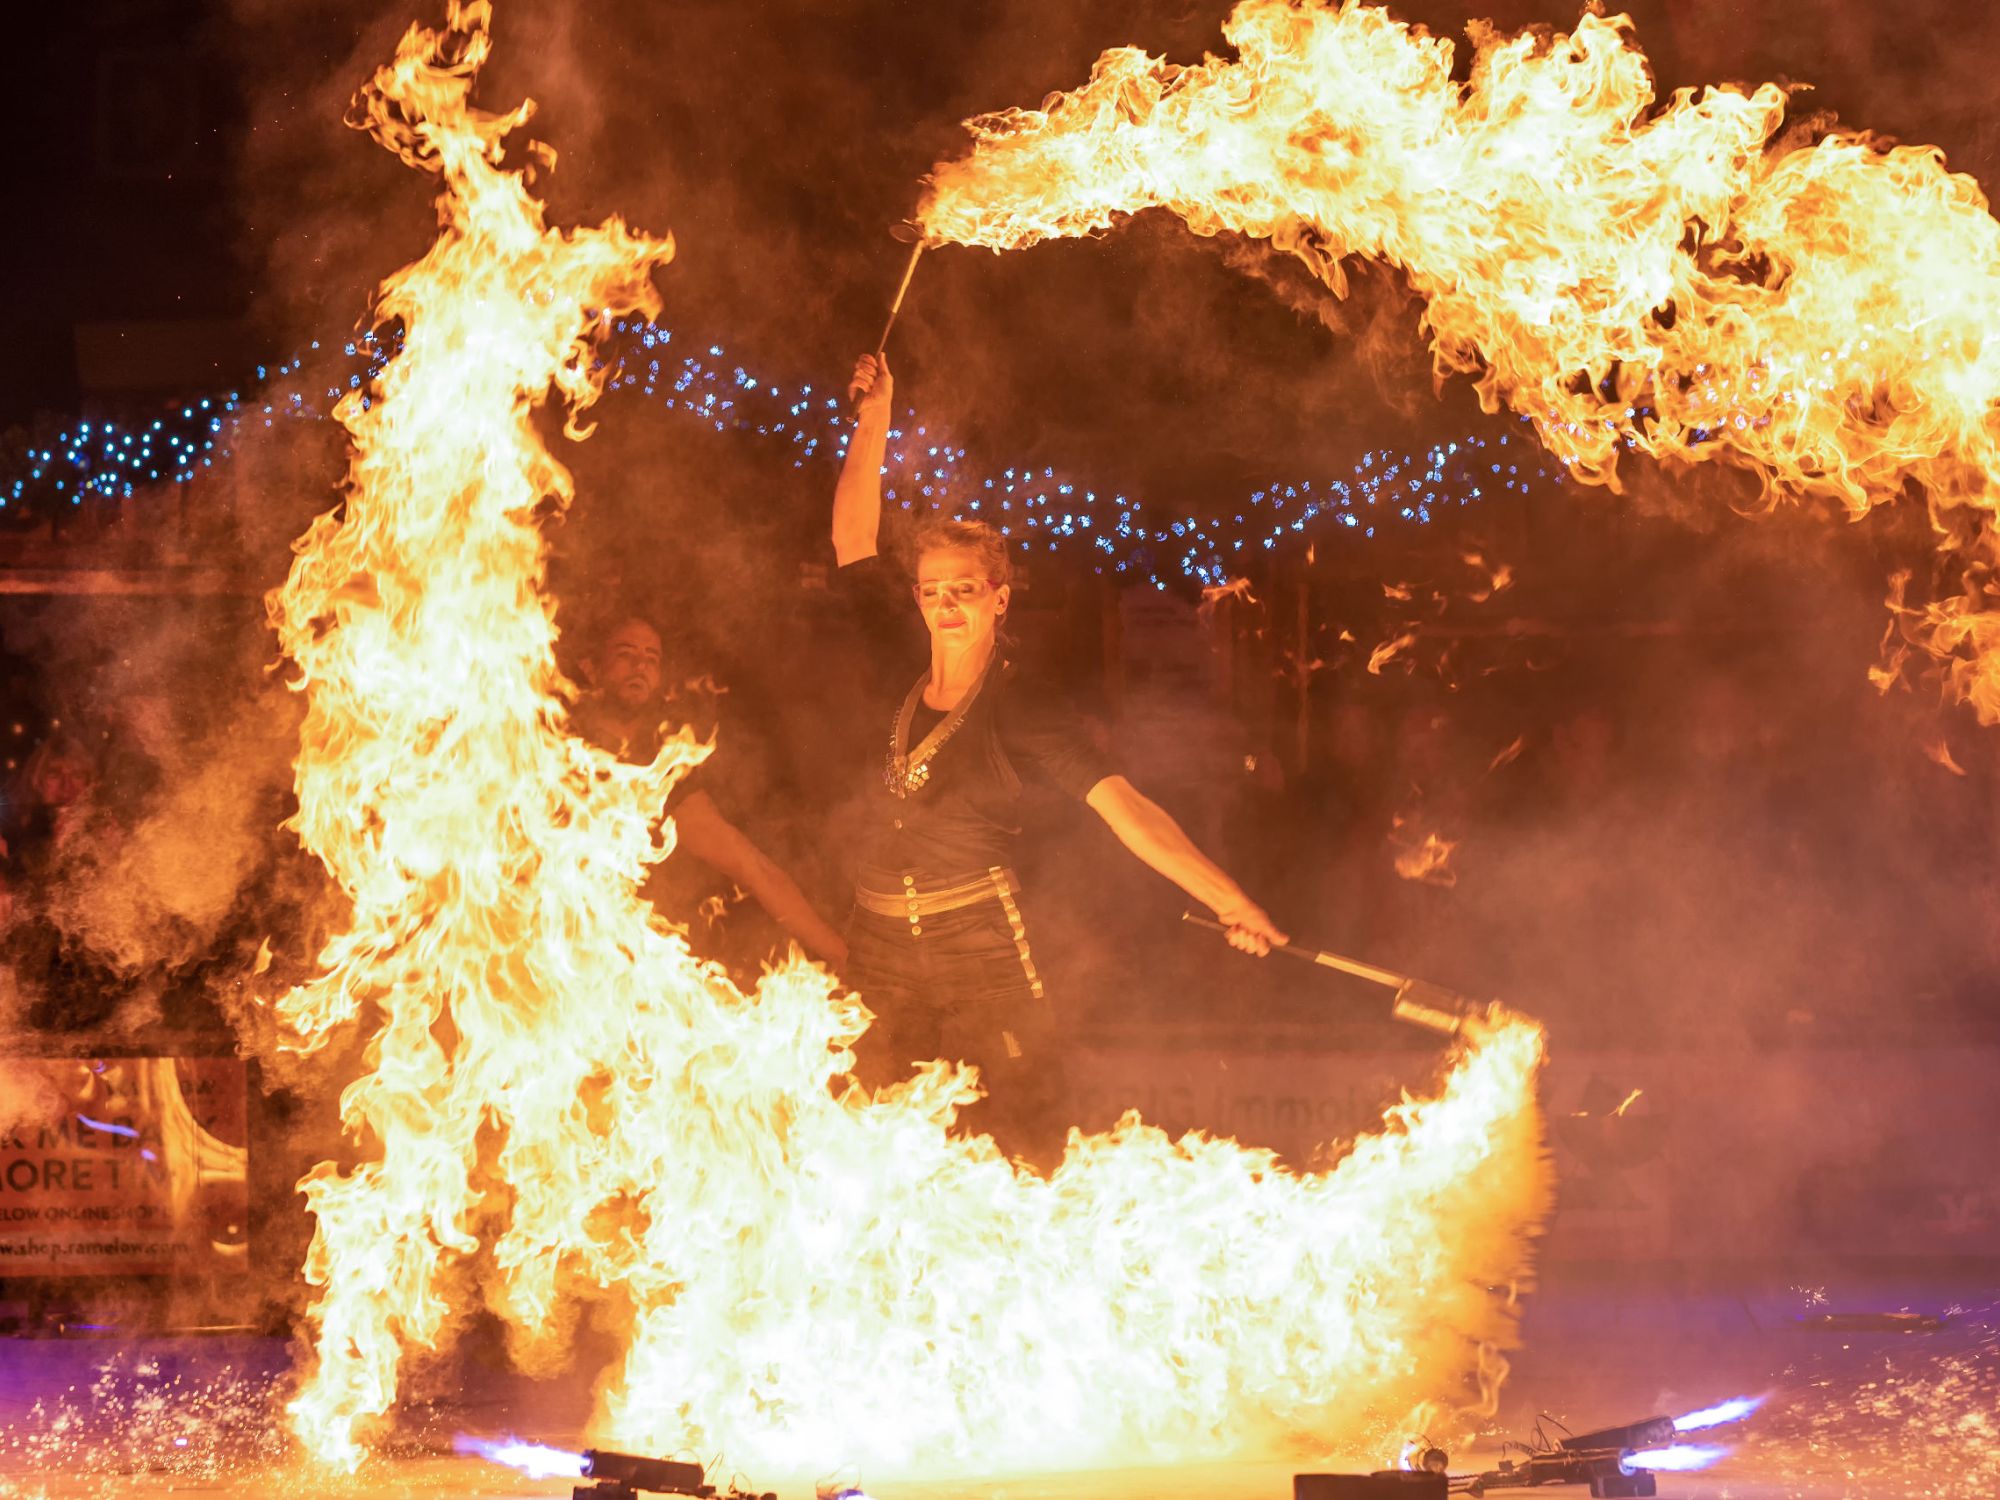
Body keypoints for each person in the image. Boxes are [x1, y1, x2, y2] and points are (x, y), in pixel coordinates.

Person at [830, 352, 1287, 1158]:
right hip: (878, 950)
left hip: (979, 955)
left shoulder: (1025, 705)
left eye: (964, 589)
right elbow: (852, 536)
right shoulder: (895, 661)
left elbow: (1129, 813)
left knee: (1019, 1149)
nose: (945, 604)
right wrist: (876, 419)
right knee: (871, 1152)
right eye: (932, 590)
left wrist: (1228, 899)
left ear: (999, 600)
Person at [574, 615, 847, 966]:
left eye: (652, 658)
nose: (640, 665)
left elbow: (752, 867)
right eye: (625, 653)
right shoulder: (543, 745)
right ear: (591, 668)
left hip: (624, 962)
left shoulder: (660, 769)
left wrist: (842, 956)